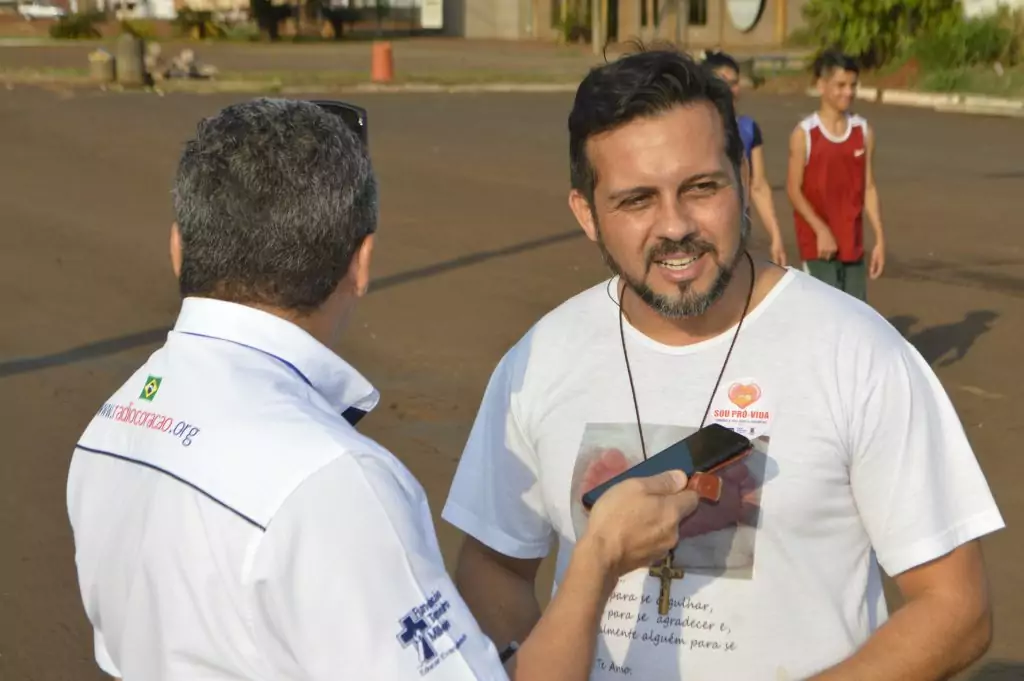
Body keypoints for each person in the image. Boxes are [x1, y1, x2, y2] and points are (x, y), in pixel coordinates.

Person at [65, 98, 705, 681]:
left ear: (181, 248)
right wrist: (599, 555)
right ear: (361, 263)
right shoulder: (337, 481)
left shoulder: (116, 418)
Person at [442, 48, 1004, 681]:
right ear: (586, 214)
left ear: (740, 177)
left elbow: (957, 607)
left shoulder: (858, 352)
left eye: (701, 187)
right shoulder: (538, 361)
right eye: (636, 201)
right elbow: (493, 567)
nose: (676, 225)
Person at [786, 49, 885, 302]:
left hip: (853, 244)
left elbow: (869, 187)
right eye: (840, 85)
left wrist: (880, 239)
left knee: (856, 321)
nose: (848, 92)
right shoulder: (805, 134)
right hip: (819, 248)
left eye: (853, 85)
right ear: (821, 85)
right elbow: (793, 190)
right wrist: (821, 230)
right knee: (824, 318)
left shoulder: (863, 131)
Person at [703, 50, 787, 267]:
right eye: (724, 82)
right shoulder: (692, 131)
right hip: (701, 231)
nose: (731, 89)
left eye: (735, 82)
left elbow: (758, 185)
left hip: (738, 232)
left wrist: (775, 235)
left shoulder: (749, 129)